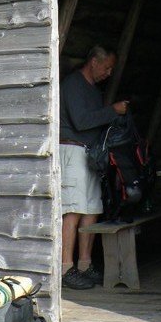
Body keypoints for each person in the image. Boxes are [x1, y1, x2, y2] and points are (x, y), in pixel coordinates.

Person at [60, 46, 128, 290]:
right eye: (106, 67)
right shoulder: (73, 84)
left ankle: (84, 265)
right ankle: (65, 268)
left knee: (91, 209)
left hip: (89, 155)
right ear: (93, 62)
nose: (109, 73)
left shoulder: (94, 91)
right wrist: (112, 111)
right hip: (72, 150)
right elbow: (81, 122)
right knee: (72, 210)